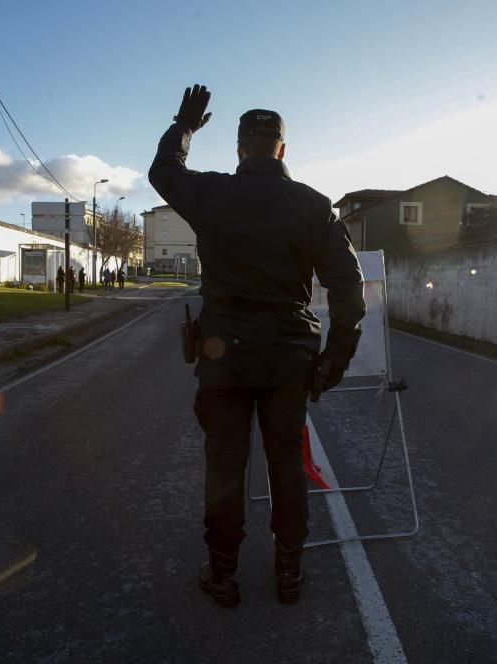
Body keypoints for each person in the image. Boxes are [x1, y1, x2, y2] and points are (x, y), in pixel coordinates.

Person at [149, 84, 366, 608]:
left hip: (223, 357)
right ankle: (288, 573)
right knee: (285, 465)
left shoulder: (213, 193)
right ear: (282, 150)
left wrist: (184, 126)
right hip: (288, 359)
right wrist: (335, 357)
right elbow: (349, 288)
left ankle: (223, 576)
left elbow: (163, 172)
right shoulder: (313, 206)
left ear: (240, 148)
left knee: (224, 468)